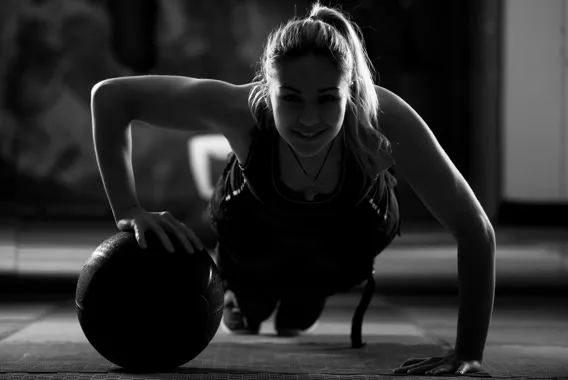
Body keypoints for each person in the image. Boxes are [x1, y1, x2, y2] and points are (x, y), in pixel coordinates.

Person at [91, 2, 495, 376]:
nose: (308, 118)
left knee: (297, 316)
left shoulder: (382, 117)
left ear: (349, 90)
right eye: (291, 98)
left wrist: (468, 353)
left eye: (326, 99)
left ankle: (305, 296)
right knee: (250, 308)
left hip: (342, 249)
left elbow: (474, 226)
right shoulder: (241, 110)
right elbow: (109, 97)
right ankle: (242, 295)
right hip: (253, 238)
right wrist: (128, 208)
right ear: (268, 89)